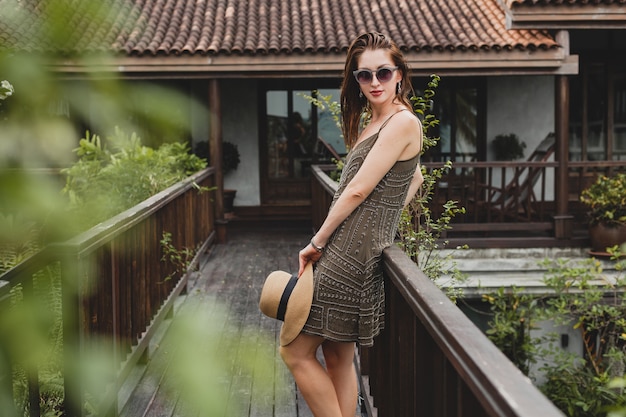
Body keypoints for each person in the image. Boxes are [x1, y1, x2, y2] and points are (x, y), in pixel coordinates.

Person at [279, 32, 424, 417]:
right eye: (364, 75)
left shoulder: (402, 122)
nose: (374, 82)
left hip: (347, 254)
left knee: (293, 351)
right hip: (358, 247)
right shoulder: (375, 121)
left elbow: (358, 189)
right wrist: (384, 223)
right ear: (355, 80)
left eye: (383, 72)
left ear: (399, 74)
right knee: (337, 354)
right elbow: (416, 180)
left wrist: (318, 240)